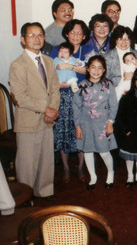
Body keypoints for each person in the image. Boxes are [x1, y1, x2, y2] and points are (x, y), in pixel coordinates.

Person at [9, 22, 60, 198]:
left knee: (46, 158)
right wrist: (46, 108)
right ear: (23, 40)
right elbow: (20, 97)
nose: (36, 39)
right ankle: (26, 195)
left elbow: (54, 88)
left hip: (48, 117)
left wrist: (53, 109)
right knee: (27, 162)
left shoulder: (48, 61)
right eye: (32, 35)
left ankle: (44, 191)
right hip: (29, 119)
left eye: (40, 35)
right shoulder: (18, 65)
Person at [49, 19, 90, 184]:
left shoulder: (87, 50)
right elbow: (50, 70)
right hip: (61, 96)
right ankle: (66, 167)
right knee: (63, 130)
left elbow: (90, 70)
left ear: (84, 35)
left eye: (79, 33)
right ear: (66, 33)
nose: (76, 35)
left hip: (81, 95)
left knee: (81, 131)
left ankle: (80, 166)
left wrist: (70, 67)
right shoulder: (57, 50)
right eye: (72, 32)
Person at [73, 55, 118, 190]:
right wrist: (77, 126)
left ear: (104, 70)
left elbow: (114, 105)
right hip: (86, 123)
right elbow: (76, 106)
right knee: (88, 151)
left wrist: (110, 122)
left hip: (102, 124)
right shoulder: (81, 86)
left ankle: (110, 172)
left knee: (104, 151)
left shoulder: (108, 85)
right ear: (87, 69)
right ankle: (93, 176)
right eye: (93, 67)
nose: (96, 71)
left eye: (100, 68)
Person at [104, 26, 137, 91]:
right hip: (115, 91)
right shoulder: (108, 57)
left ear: (130, 40)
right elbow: (104, 79)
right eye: (120, 39)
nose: (124, 42)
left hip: (136, 90)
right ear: (115, 40)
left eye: (126, 39)